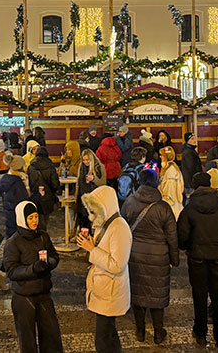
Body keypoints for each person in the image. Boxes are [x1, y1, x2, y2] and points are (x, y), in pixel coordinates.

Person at [121, 168, 179, 345]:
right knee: (157, 297)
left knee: (138, 295)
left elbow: (122, 228)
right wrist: (174, 260)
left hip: (135, 255)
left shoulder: (130, 202)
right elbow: (172, 237)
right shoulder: (163, 207)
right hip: (158, 257)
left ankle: (140, 331)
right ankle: (158, 333)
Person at [3, 201, 64, 353]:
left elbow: (54, 256)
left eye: (36, 216)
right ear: (22, 219)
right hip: (24, 297)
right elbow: (11, 271)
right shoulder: (13, 242)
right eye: (30, 218)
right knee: (27, 340)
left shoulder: (43, 236)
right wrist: (33, 269)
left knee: (52, 335)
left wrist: (48, 263)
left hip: (43, 293)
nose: (35, 221)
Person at [78, 185, 133, 353]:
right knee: (108, 335)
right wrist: (91, 243)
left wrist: (91, 249)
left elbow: (118, 264)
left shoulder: (119, 228)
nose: (91, 215)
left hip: (111, 291)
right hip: (104, 289)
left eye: (94, 211)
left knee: (103, 339)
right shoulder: (106, 223)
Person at [177, 168, 218, 348]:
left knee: (199, 295)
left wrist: (186, 247)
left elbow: (182, 236)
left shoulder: (189, 209)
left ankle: (200, 333)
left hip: (197, 259)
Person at [27, 146, 60, 231]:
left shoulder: (31, 166)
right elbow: (55, 184)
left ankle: (36, 236)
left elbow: (29, 182)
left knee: (35, 218)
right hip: (47, 197)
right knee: (44, 220)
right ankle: (42, 237)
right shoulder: (50, 166)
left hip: (35, 196)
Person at [0, 155, 31, 239]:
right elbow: (25, 198)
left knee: (10, 232)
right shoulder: (18, 181)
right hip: (18, 210)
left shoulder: (5, 178)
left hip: (8, 209)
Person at [76, 149, 107, 232]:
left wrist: (94, 179)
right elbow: (78, 183)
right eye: (84, 160)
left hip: (95, 199)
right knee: (83, 222)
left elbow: (103, 183)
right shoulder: (81, 167)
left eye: (87, 160)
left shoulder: (99, 167)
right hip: (83, 198)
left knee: (95, 223)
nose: (86, 162)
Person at [158, 146, 184, 219]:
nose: (160, 157)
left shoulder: (170, 172)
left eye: (162, 155)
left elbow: (169, 194)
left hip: (171, 205)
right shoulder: (172, 168)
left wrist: (159, 188)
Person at [181, 132, 202, 197]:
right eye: (192, 139)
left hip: (190, 182)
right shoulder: (188, 152)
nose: (194, 140)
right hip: (190, 182)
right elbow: (191, 168)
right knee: (190, 200)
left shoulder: (190, 150)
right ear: (187, 141)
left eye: (195, 138)